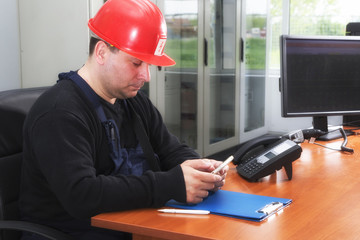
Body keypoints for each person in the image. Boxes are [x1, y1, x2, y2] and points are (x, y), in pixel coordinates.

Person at [19, 0, 229, 239]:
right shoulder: (59, 113)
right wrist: (171, 184)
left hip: (128, 223)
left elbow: (170, 149)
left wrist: (201, 169)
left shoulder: (132, 101)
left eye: (148, 64)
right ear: (101, 52)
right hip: (73, 232)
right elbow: (82, 195)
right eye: (136, 63)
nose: (146, 76)